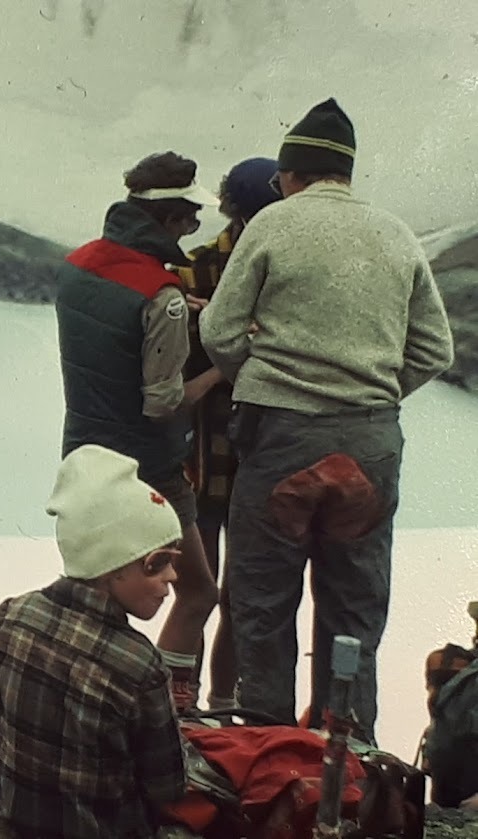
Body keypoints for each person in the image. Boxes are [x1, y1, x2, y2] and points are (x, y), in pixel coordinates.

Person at [200, 98, 455, 742]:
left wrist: (259, 377)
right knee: (353, 608)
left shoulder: (273, 226)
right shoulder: (396, 233)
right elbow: (435, 350)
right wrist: (368, 392)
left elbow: (220, 330)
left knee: (262, 605)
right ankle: (350, 756)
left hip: (282, 436)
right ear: (346, 173)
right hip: (369, 442)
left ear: (289, 174)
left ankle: (267, 753)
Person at [54, 151, 221, 710]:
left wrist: (173, 311)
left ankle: (80, 699)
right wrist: (226, 366)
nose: (195, 228)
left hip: (84, 458)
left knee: (91, 596)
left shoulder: (76, 266)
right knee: (197, 591)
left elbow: (113, 329)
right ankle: (172, 708)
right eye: (190, 218)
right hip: (147, 471)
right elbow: (163, 405)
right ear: (170, 218)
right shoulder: (164, 299)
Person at [0, 444, 186, 838]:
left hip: (13, 822)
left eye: (175, 558)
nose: (172, 575)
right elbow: (168, 787)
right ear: (110, 564)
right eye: (158, 562)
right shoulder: (140, 665)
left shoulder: (13, 615)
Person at [175, 156, 283, 710]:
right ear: (235, 217)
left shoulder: (281, 268)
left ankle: (221, 701)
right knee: (198, 586)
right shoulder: (191, 272)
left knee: (242, 591)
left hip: (254, 451)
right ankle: (185, 700)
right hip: (202, 452)